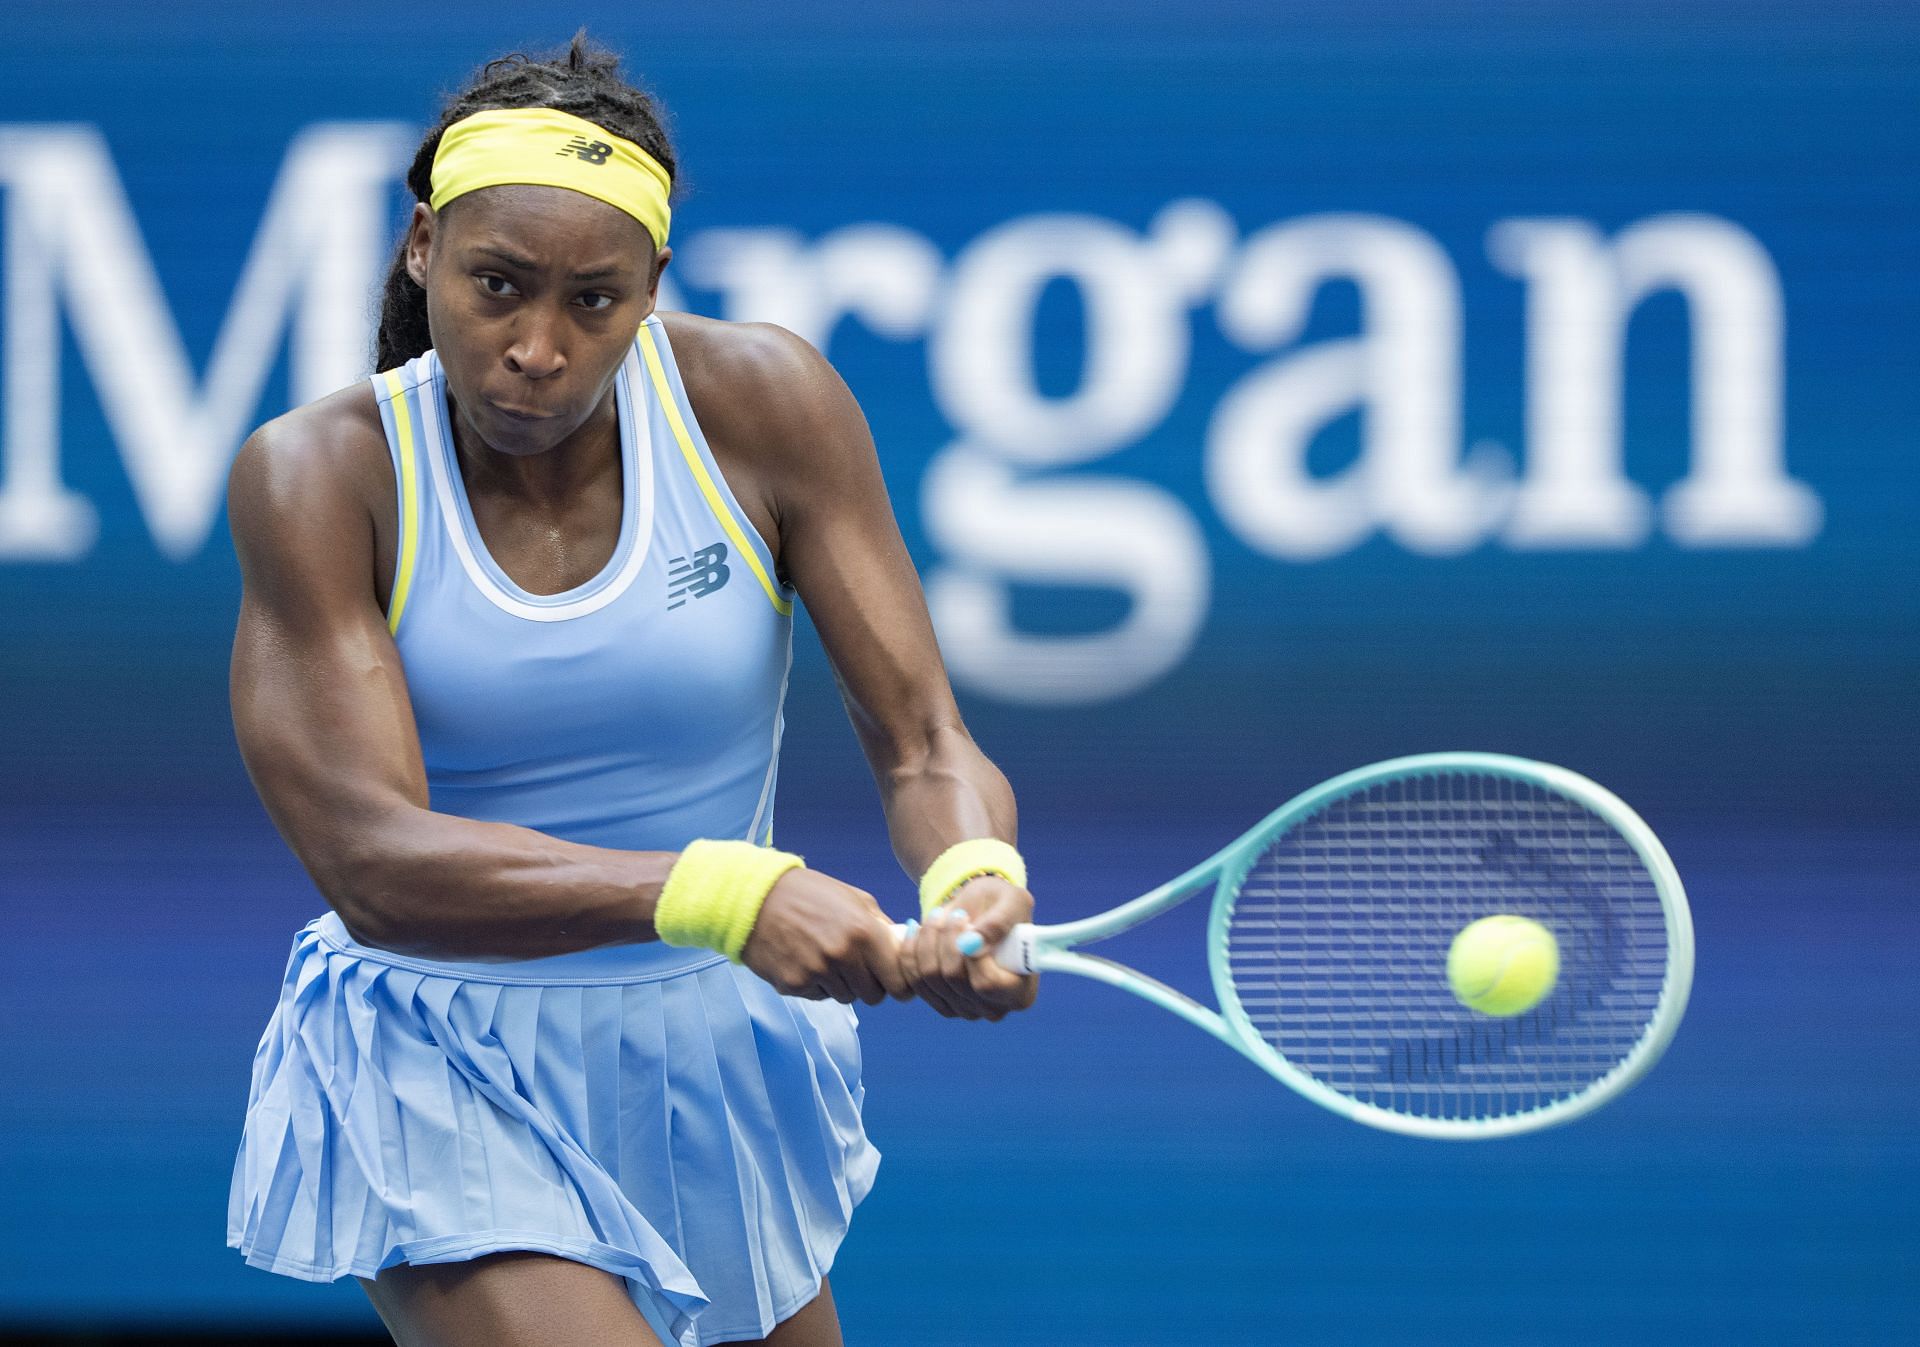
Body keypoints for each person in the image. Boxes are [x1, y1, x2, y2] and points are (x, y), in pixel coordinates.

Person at [223, 34, 1038, 1347]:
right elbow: (371, 862)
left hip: (709, 1050)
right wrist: (720, 891)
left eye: (593, 302)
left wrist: (968, 875)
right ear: (423, 247)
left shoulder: (765, 402)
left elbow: (922, 738)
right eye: (497, 285)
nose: (535, 348)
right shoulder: (319, 477)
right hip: (444, 1058)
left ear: (654, 288)